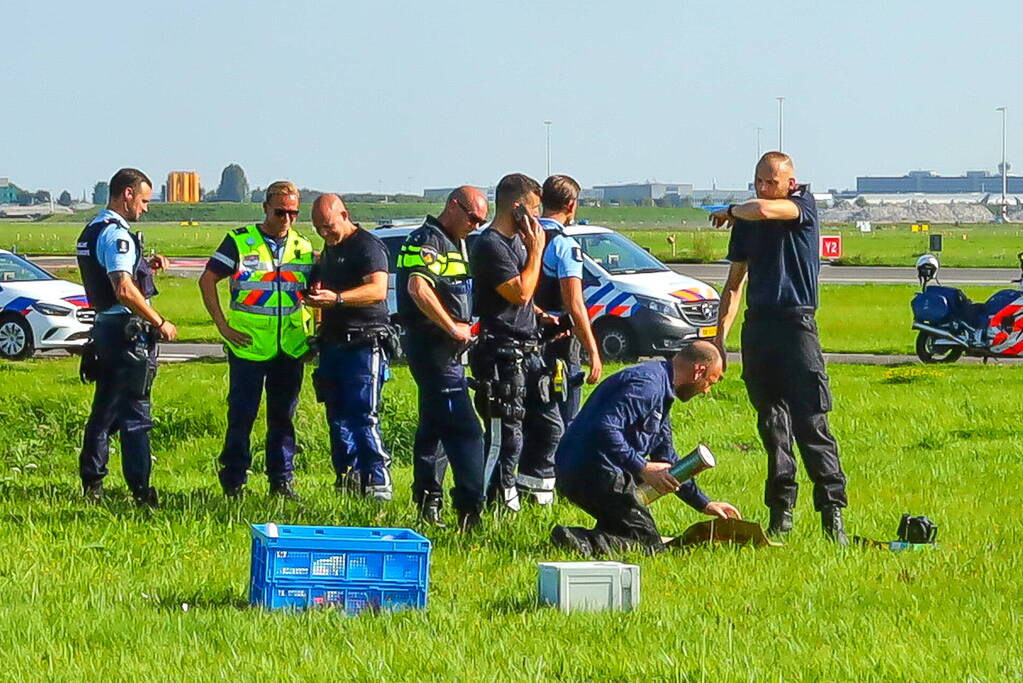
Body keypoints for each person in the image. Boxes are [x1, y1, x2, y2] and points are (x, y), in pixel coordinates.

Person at [710, 151, 849, 545]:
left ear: (790, 183)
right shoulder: (746, 222)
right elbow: (734, 284)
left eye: (771, 182)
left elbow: (765, 210)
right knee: (773, 427)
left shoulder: (800, 206)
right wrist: (720, 339)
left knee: (812, 424)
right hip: (760, 327)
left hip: (797, 325)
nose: (764, 189)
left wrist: (732, 209)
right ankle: (780, 514)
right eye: (759, 181)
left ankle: (832, 514)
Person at [551, 341, 741, 556]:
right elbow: (604, 428)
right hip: (588, 470)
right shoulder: (647, 386)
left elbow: (667, 457)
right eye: (710, 382)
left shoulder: (663, 390)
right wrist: (642, 467)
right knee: (649, 546)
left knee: (634, 531)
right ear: (699, 371)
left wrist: (705, 504)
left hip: (596, 469)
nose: (706, 391)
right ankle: (580, 540)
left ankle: (608, 533)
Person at [198, 180, 314, 498]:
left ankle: (281, 482)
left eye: (293, 213)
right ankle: (234, 481)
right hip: (248, 346)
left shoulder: (303, 247)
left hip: (290, 348)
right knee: (241, 416)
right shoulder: (240, 241)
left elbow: (315, 296)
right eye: (280, 212)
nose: (287, 219)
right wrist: (222, 326)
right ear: (265, 208)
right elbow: (207, 280)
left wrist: (313, 336)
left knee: (283, 419)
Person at [76, 167, 177, 507]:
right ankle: (141, 491)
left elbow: (114, 276)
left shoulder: (92, 229)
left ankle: (92, 484)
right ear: (128, 194)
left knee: (104, 410)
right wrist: (159, 321)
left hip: (106, 328)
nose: (145, 208)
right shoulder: (117, 235)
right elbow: (122, 288)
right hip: (126, 333)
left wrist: (145, 266)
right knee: (136, 416)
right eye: (144, 200)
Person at [469, 173, 564, 510]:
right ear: (517, 207)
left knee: (550, 426)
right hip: (501, 354)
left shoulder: (517, 242)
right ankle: (488, 506)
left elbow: (523, 298)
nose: (538, 218)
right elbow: (519, 290)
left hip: (529, 349)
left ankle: (532, 493)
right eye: (535, 209)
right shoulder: (491, 245)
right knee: (506, 437)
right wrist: (537, 250)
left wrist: (540, 315)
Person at [397, 186, 489, 529]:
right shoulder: (428, 240)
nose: (476, 225)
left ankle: (427, 503)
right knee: (467, 432)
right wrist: (452, 328)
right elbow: (417, 289)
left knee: (433, 429)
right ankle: (470, 510)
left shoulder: (456, 242)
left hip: (445, 351)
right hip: (434, 349)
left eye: (482, 220)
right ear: (454, 206)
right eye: (473, 217)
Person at [305, 194, 394, 501]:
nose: (324, 234)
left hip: (363, 342)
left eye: (329, 227)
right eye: (318, 228)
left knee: (362, 414)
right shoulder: (328, 251)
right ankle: (348, 479)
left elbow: (378, 289)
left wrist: (338, 299)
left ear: (344, 215)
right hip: (332, 342)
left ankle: (378, 483)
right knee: (336, 416)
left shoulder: (367, 246)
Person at [536, 174, 603, 426]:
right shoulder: (565, 246)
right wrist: (593, 351)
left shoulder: (522, 238)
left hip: (525, 338)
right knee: (566, 420)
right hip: (560, 346)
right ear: (571, 205)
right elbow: (574, 304)